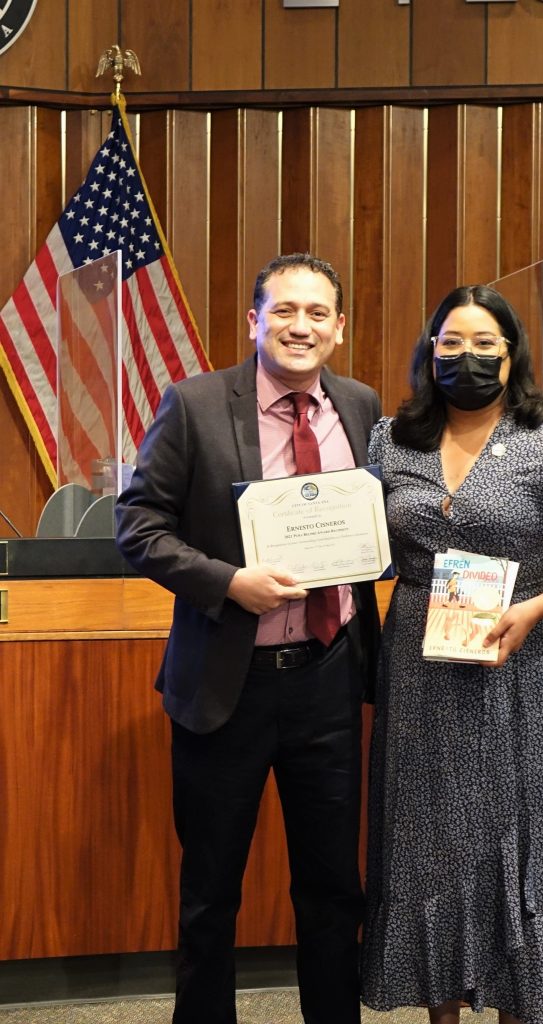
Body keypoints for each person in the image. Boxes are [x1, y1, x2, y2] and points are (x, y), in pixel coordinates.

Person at [115, 253, 381, 1024]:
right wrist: (230, 583)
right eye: (284, 310)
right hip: (227, 683)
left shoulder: (360, 408)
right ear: (255, 321)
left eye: (317, 313)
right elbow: (138, 526)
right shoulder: (195, 404)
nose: (301, 326)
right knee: (211, 890)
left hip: (329, 678)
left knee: (333, 888)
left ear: (339, 327)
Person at [361, 285, 543, 1024]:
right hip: (419, 666)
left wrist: (532, 608)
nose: (467, 356)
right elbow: (368, 550)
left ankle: (524, 1005)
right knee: (429, 839)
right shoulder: (390, 439)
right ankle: (439, 1013)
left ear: (512, 357)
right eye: (451, 342)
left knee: (525, 833)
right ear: (429, 349)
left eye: (485, 344)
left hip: (525, 660)